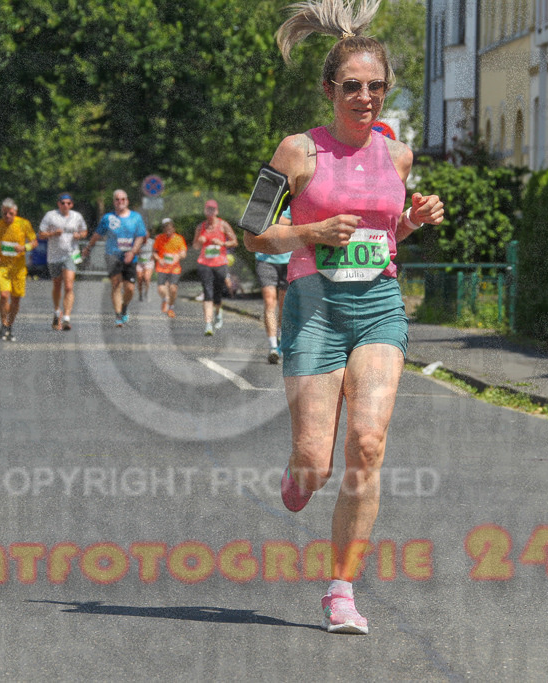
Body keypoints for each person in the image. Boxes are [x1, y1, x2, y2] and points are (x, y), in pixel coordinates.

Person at [244, 0, 444, 635]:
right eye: (351, 86)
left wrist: (410, 224)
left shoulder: (399, 155)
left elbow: (386, 238)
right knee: (316, 461)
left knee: (368, 443)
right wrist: (312, 229)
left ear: (388, 91)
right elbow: (252, 233)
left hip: (380, 307)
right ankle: (300, 477)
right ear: (329, 89)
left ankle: (341, 591)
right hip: (314, 310)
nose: (364, 97)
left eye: (375, 87)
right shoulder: (298, 151)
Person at [83, 189, 147, 327]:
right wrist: (88, 247)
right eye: (117, 199)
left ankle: (124, 308)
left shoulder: (136, 217)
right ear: (114, 202)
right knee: (116, 283)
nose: (120, 202)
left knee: (130, 288)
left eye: (123, 199)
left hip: (130, 255)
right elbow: (97, 234)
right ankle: (118, 315)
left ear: (127, 201)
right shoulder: (108, 218)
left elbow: (140, 236)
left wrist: (133, 251)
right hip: (112, 254)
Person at [0, 198, 38, 342]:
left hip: (19, 267)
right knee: (4, 295)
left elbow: (34, 242)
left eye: (10, 213)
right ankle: (3, 323)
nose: (7, 216)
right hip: (2, 266)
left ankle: (9, 326)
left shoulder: (23, 224)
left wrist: (24, 247)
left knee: (16, 298)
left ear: (15, 212)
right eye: (4, 214)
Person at [38, 192, 88, 331]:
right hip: (54, 256)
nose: (65, 205)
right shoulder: (50, 216)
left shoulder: (76, 216)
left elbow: (84, 231)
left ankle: (66, 318)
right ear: (58, 204)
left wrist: (79, 235)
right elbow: (41, 234)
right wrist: (53, 234)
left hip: (70, 255)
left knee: (68, 286)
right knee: (57, 285)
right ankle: (56, 311)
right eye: (63, 203)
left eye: (68, 203)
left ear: (71, 204)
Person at [192, 199, 238, 336]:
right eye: (208, 209)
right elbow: (194, 246)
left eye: (213, 209)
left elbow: (235, 242)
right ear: (205, 211)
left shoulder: (223, 225)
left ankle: (218, 312)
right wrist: (199, 242)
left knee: (217, 294)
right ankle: (208, 325)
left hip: (220, 263)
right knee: (207, 292)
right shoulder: (201, 227)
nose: (210, 212)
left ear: (216, 211)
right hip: (204, 263)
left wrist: (222, 243)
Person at [256, 208, 293, 364]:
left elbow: (288, 225)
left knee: (284, 307)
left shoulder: (291, 205)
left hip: (288, 259)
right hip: (265, 260)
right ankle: (272, 346)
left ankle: (280, 340)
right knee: (270, 301)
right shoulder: (264, 203)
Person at [153, 217, 188, 318]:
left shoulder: (179, 239)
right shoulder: (159, 238)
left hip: (174, 268)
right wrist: (159, 259)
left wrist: (178, 256)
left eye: (169, 227)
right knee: (161, 288)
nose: (167, 229)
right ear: (163, 229)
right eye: (165, 227)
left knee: (173, 289)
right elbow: (155, 252)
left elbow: (183, 253)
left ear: (173, 228)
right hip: (162, 267)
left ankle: (171, 307)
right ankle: (165, 299)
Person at [135, 227, 155, 302]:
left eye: (147, 234)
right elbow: (133, 251)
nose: (145, 236)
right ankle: (140, 294)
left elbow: (156, 251)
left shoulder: (152, 242)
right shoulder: (138, 242)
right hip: (140, 262)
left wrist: (153, 256)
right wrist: (137, 251)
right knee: (139, 279)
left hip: (149, 262)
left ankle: (147, 292)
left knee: (146, 278)